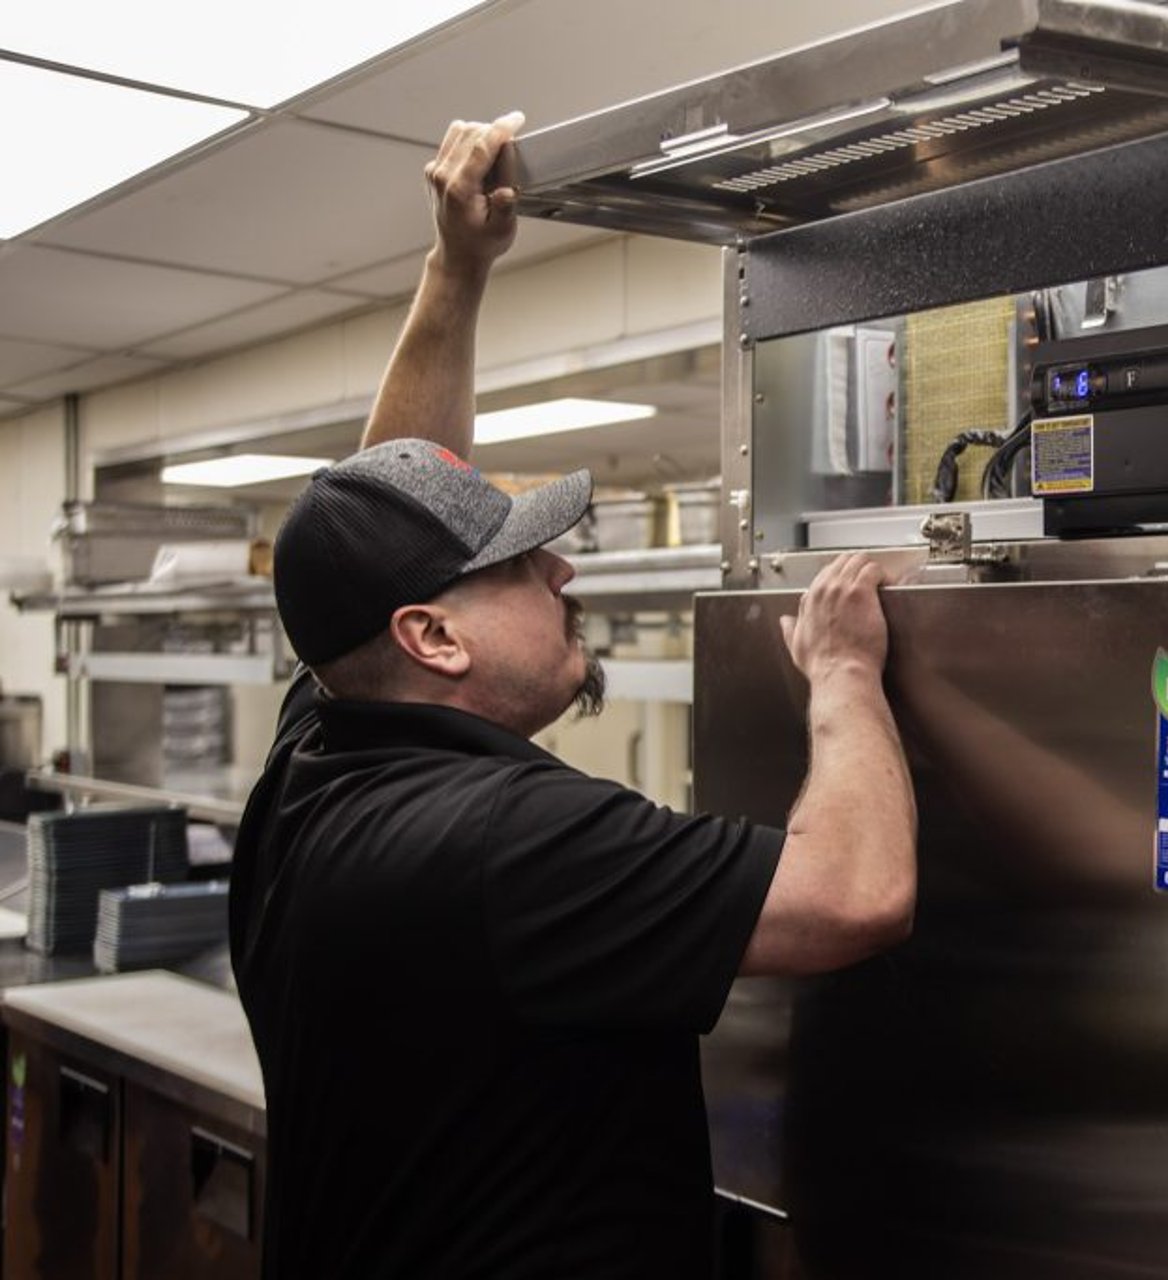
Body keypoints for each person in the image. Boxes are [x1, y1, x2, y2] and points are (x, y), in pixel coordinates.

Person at [229, 111, 917, 1279]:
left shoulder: (316, 762)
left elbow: (380, 511)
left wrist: (457, 269)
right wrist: (846, 674)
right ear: (433, 636)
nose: (563, 569)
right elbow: (854, 893)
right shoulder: (504, 839)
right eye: (519, 561)